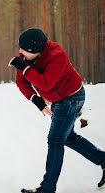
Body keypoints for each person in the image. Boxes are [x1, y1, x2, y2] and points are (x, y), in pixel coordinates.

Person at [8, 28, 105, 193]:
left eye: (23, 49)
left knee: (55, 140)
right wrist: (36, 100)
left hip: (71, 99)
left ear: (35, 50)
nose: (20, 52)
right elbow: (21, 81)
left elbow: (45, 83)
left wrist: (23, 67)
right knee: (67, 138)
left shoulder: (56, 56)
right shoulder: (26, 57)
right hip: (59, 100)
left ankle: (47, 188)